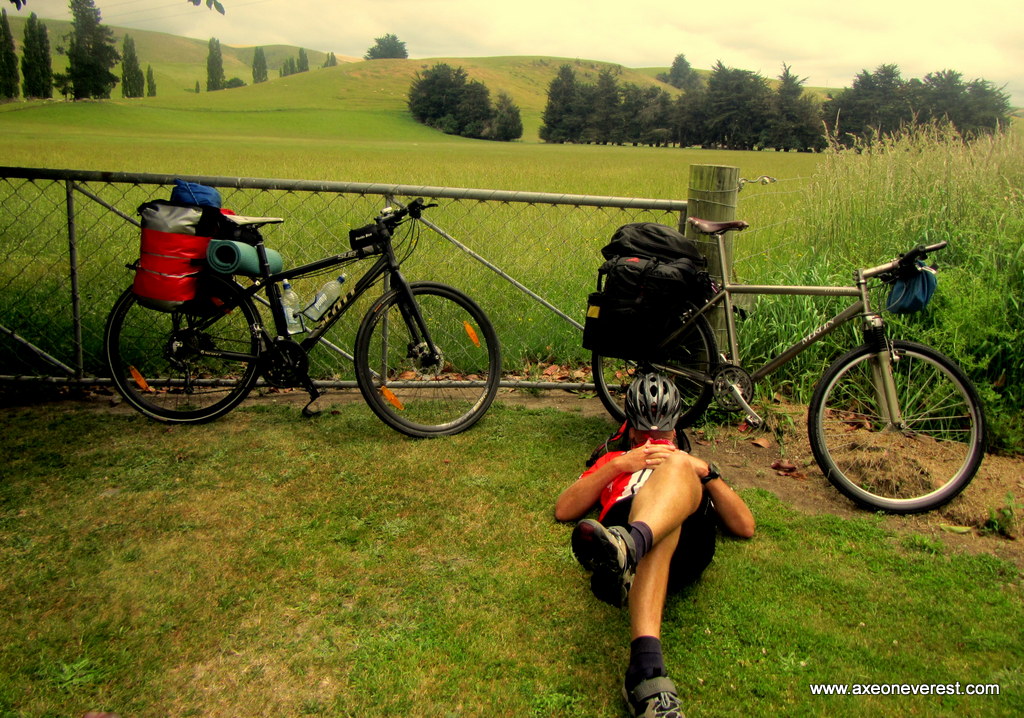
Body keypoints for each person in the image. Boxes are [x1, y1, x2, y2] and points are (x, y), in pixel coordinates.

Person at [555, 373, 755, 718]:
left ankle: (630, 546)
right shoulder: (615, 461)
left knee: (672, 487)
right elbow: (564, 509)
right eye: (646, 435)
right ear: (632, 433)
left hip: (681, 546)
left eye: (661, 434)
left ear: (675, 433)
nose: (654, 441)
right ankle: (646, 673)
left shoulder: (686, 463)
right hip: (628, 519)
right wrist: (619, 463)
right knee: (660, 528)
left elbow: (744, 526)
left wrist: (705, 471)